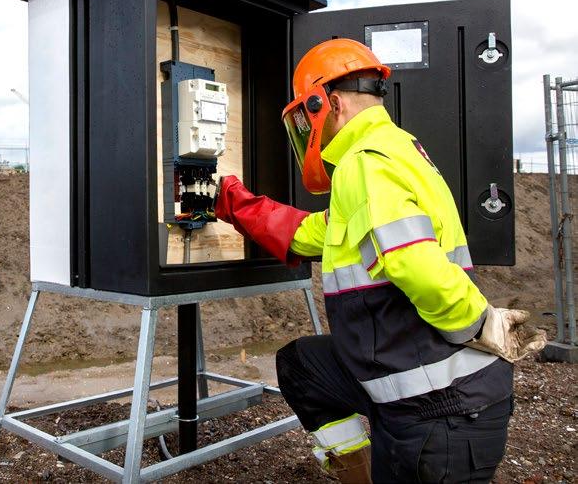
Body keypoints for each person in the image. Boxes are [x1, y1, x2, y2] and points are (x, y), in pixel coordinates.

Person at [215, 38, 545, 484]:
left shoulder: (364, 164)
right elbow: (318, 233)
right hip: (420, 390)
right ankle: (358, 472)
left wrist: (479, 324)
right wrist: (238, 205)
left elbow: (414, 265)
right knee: (303, 365)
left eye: (305, 118)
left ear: (328, 103)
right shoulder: (395, 150)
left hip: (442, 412)